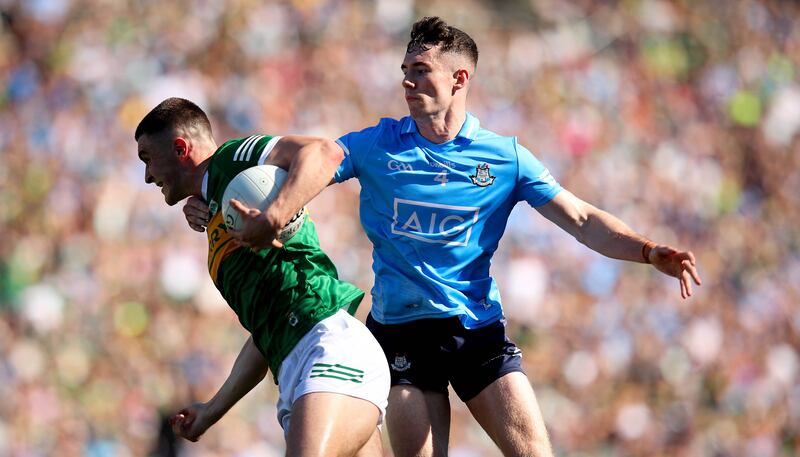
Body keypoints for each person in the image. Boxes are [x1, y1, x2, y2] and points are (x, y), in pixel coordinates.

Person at [184, 17, 703, 457]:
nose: (407, 82)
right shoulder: (377, 144)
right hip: (401, 335)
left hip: (477, 330)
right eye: (404, 71)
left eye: (420, 71)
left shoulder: (504, 158)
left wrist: (646, 250)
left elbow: (582, 219)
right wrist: (224, 203)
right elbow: (313, 161)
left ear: (459, 78)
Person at [134, 97, 390, 457]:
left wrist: (274, 216)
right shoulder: (217, 222)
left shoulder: (232, 159)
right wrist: (212, 410)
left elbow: (322, 152)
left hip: (328, 346)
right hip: (295, 368)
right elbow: (265, 331)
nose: (146, 176)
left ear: (180, 147)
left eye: (147, 158)